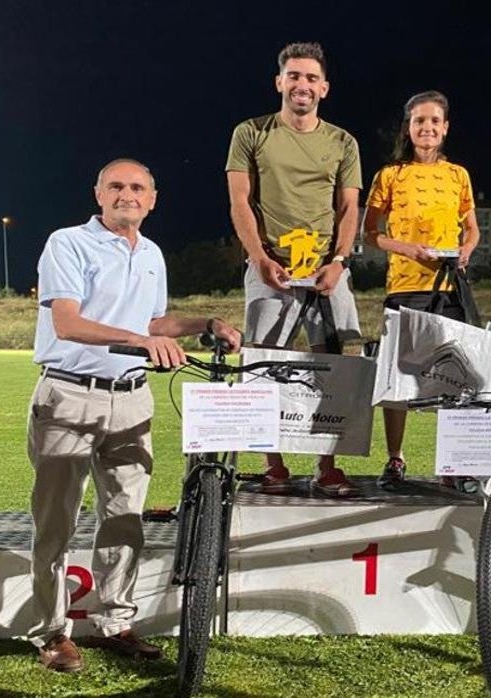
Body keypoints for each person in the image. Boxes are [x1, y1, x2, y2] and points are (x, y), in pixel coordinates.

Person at [27, 159, 242, 672]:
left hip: (132, 397)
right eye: (117, 186)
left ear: (153, 198)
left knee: (125, 519)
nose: (128, 194)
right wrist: (141, 341)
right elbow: (68, 322)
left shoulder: (150, 253)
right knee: (55, 523)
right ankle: (52, 633)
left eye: (138, 187)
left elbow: (151, 320)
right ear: (98, 193)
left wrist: (203, 321)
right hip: (70, 395)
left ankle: (114, 621)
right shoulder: (68, 242)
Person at [225, 41, 363, 498]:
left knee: (340, 363)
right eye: (294, 76)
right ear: (279, 82)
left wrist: (339, 262)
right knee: (263, 363)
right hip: (272, 267)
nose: (302, 85)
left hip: (326, 269)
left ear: (323, 88)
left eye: (310, 78)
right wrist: (260, 258)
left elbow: (348, 208)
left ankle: (328, 465)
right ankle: (274, 466)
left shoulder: (342, 141)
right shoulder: (251, 132)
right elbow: (240, 201)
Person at [362, 90, 481, 489]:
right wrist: (406, 248)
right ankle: (395, 458)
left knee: (452, 376)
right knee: (398, 377)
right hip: (404, 287)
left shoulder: (458, 175)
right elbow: (370, 234)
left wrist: (466, 249)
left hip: (447, 288)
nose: (427, 128)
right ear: (409, 128)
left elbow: (472, 227)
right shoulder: (390, 175)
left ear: (445, 128)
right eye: (419, 121)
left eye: (434, 121)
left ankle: (452, 463)